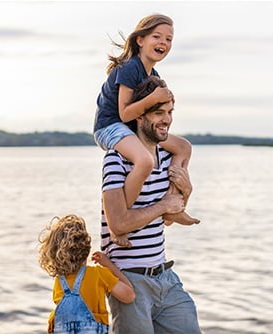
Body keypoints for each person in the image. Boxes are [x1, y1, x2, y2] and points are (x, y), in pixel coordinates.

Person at [100, 76, 202, 333]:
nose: (167, 119)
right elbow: (118, 224)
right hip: (129, 281)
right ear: (139, 117)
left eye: (169, 112)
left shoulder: (168, 156)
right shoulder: (117, 159)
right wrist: (163, 205)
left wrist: (186, 192)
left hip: (165, 278)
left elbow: (170, 215)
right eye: (158, 112)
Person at [93, 13, 199, 248]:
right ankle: (119, 222)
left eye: (169, 39)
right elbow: (124, 113)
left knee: (184, 147)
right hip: (110, 127)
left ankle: (173, 205)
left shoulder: (154, 74)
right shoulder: (130, 68)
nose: (163, 43)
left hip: (131, 129)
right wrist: (153, 96)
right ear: (140, 40)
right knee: (145, 161)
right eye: (157, 36)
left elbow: (152, 112)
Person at [38, 214, 135, 334]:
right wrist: (109, 265)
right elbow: (129, 295)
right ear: (87, 248)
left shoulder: (59, 282)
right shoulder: (99, 274)